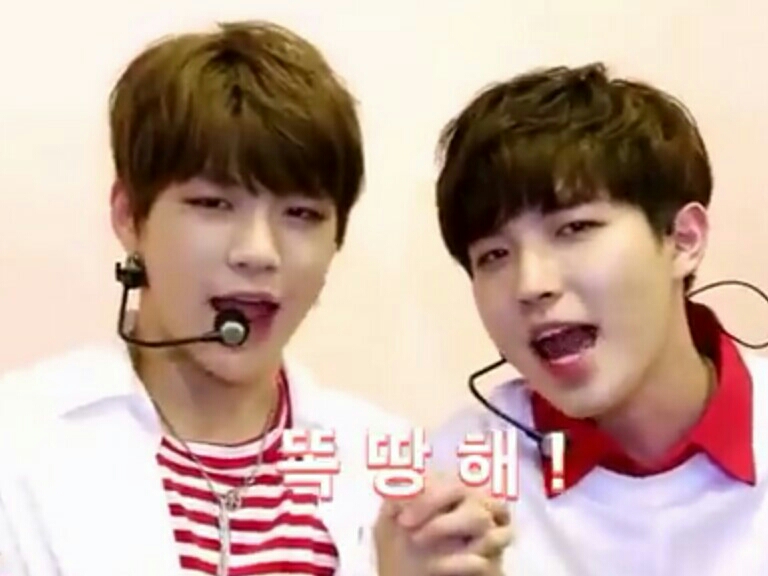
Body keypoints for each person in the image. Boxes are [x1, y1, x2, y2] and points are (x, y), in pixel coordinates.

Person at [0, 21, 511, 576]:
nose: (259, 253)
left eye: (301, 214)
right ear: (128, 216)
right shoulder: (20, 439)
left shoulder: (395, 466)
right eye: (213, 204)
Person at [429, 62, 768, 575]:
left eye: (574, 229)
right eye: (494, 255)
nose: (530, 284)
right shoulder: (457, 476)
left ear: (683, 240)